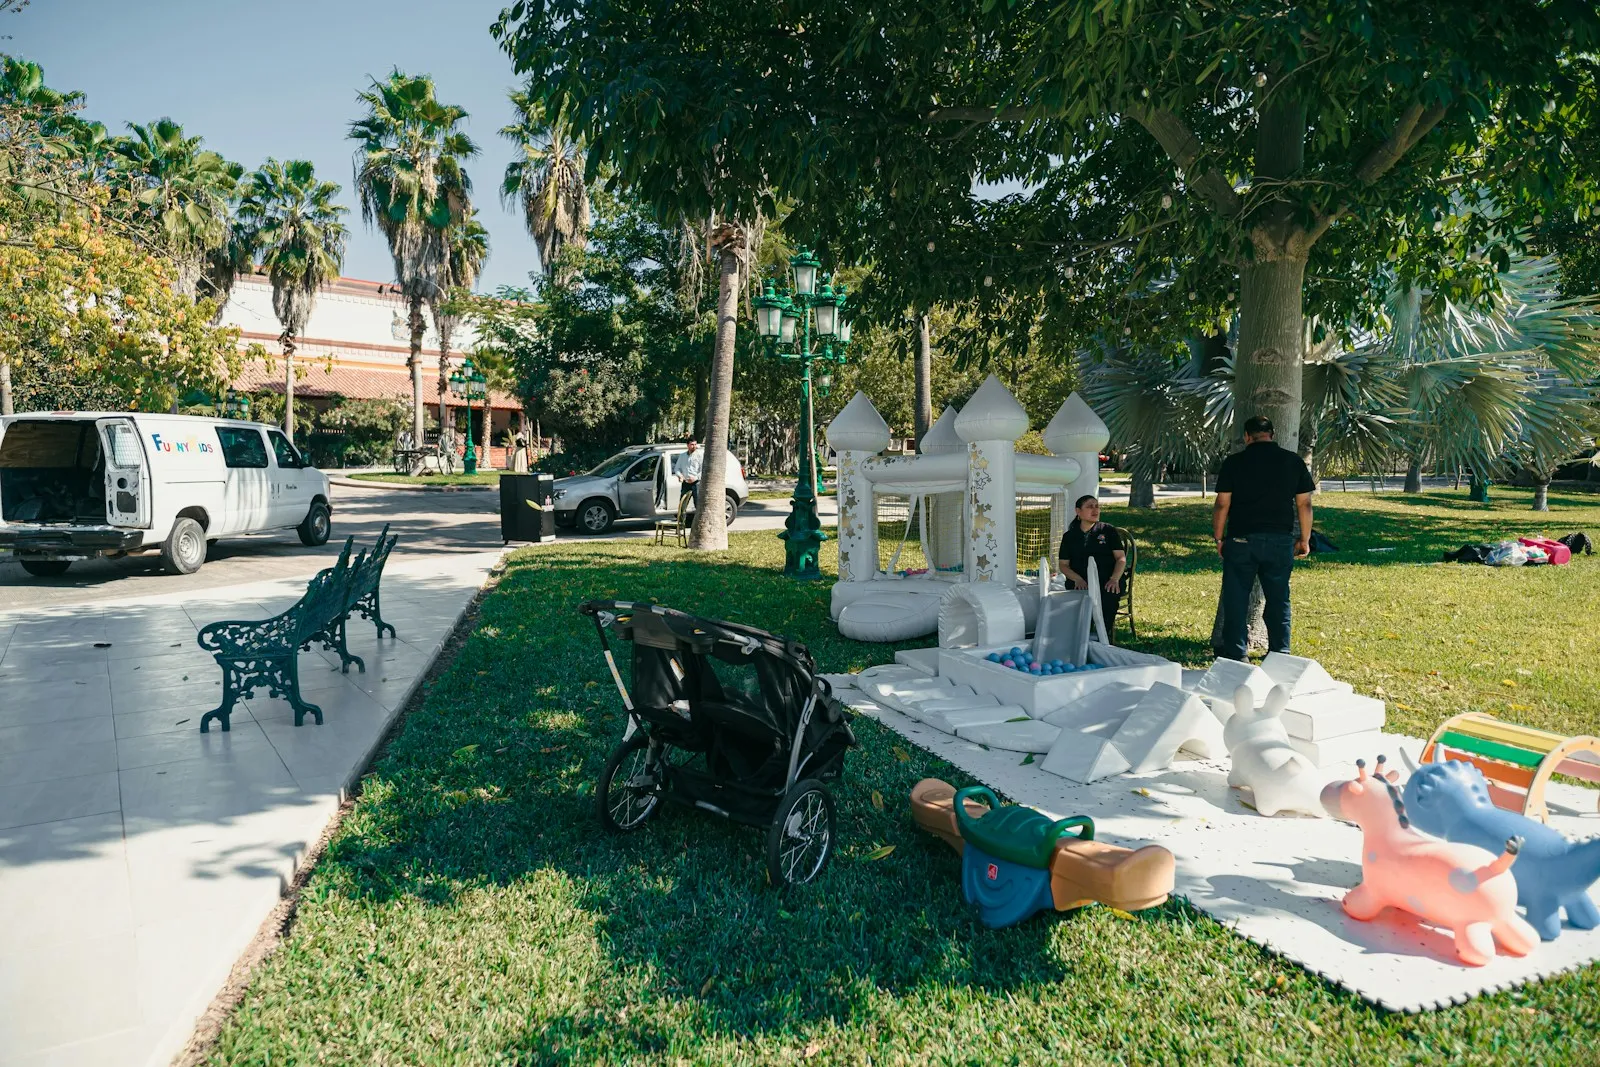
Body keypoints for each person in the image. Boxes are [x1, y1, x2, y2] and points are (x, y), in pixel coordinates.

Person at [1212, 414, 1315, 662]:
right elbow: (1304, 504)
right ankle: (1280, 652)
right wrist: (1304, 539)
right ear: (1272, 434)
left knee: (1236, 599)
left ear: (1247, 436)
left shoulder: (1234, 463)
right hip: (1280, 540)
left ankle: (1237, 654)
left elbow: (1222, 503)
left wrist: (1218, 538)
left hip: (1241, 540)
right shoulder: (1293, 461)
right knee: (1279, 599)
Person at [1058, 494, 1126, 643]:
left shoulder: (1108, 531)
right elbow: (1063, 565)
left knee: (1108, 595)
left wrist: (1114, 579)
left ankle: (1103, 637)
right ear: (1078, 511)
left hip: (1108, 579)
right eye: (1090, 507)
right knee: (1076, 600)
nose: (1095, 510)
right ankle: (1080, 637)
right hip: (1081, 581)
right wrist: (1077, 579)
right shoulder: (1069, 536)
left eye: (1097, 506)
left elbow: (1121, 559)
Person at [673, 438, 702, 510]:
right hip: (685, 483)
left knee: (698, 504)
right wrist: (680, 476)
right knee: (682, 504)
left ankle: (698, 517)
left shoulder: (699, 455)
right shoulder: (682, 456)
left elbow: (703, 470)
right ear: (688, 445)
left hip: (696, 483)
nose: (694, 446)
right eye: (692, 444)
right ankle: (682, 517)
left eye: (695, 444)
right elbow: (677, 468)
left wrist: (695, 478)